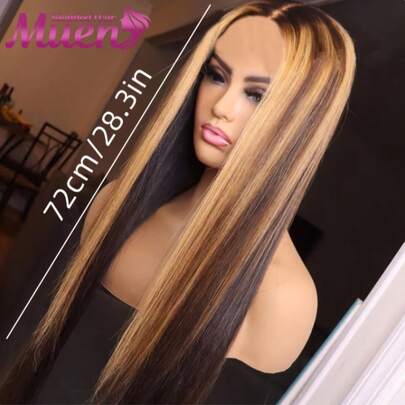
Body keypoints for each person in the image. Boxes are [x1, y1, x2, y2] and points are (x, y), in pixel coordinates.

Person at [0, 1, 356, 403]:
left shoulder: (283, 298)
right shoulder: (114, 205)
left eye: (256, 95)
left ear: (302, 121)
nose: (221, 107)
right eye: (217, 76)